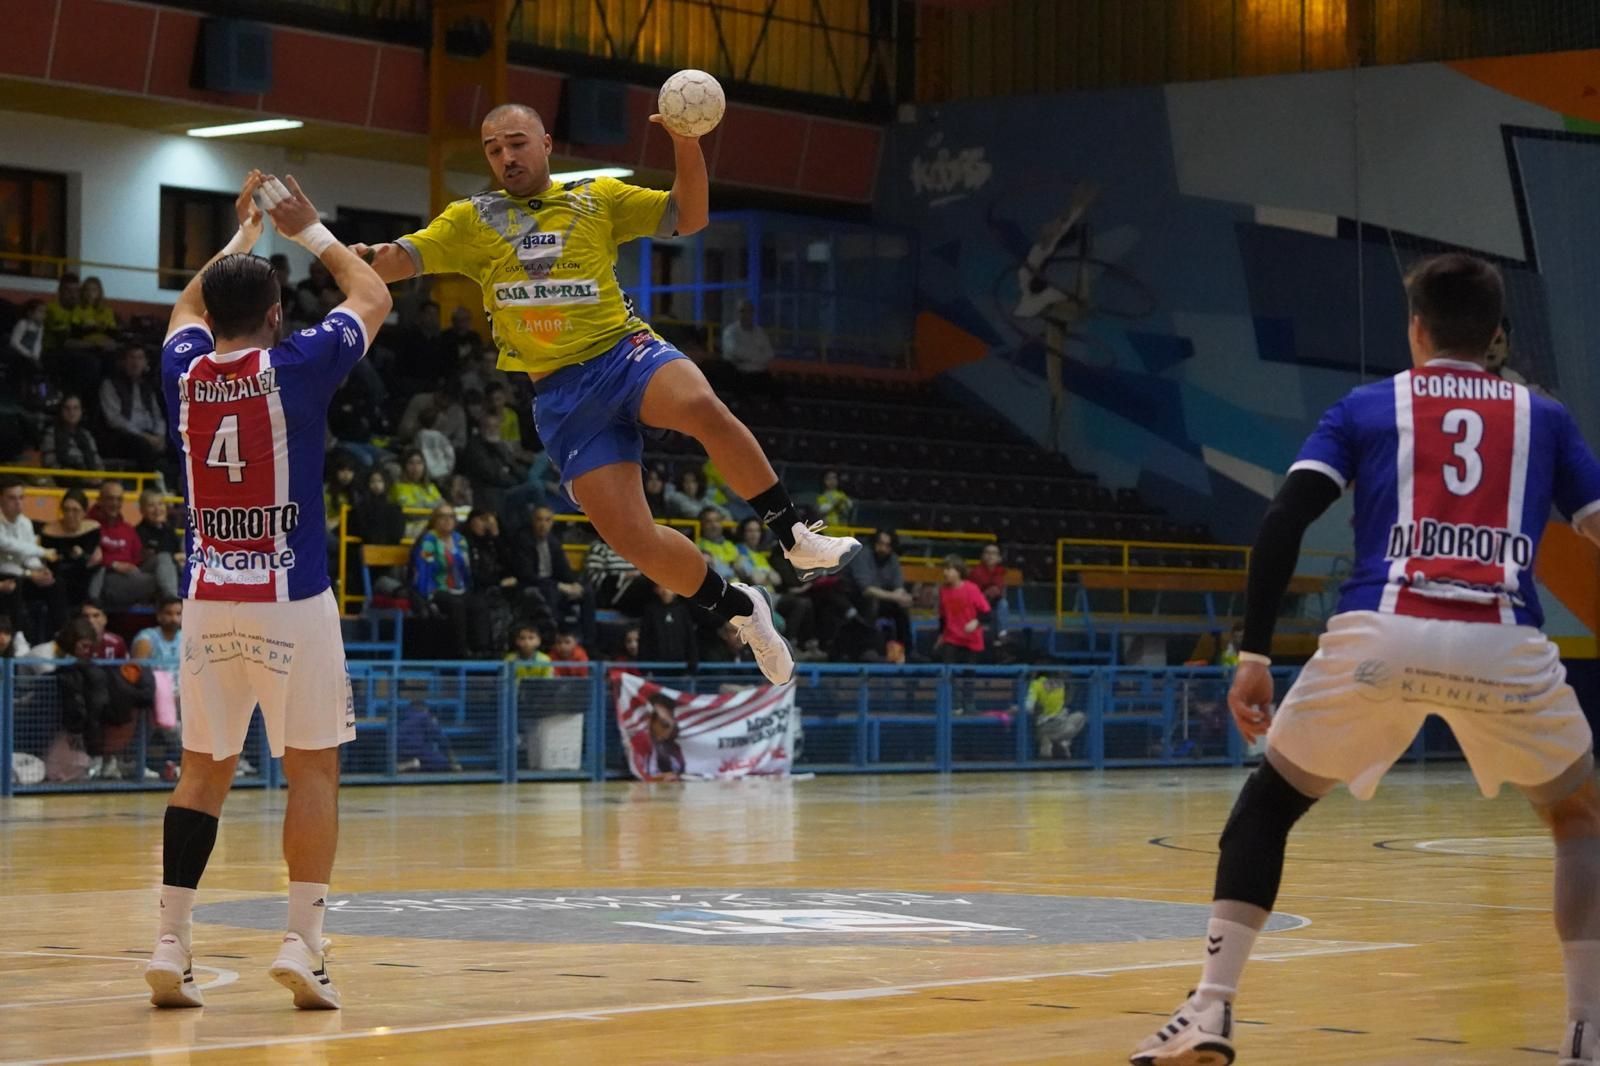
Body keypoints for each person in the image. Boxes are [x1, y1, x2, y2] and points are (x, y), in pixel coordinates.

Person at [1131, 253, 1600, 1066]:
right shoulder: (1544, 418)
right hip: (1502, 638)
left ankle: (1212, 1007)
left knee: (1267, 807)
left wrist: (1253, 653)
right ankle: (1587, 1035)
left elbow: (1284, 519)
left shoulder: (1366, 406)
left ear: (1416, 328)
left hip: (1378, 637)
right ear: (1495, 337)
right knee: (1578, 819)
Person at [349, 101, 859, 687]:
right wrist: (355, 257)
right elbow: (401, 258)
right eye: (494, 150)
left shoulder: (597, 197)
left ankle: (793, 536)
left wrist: (686, 141)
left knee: (700, 406)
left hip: (624, 354)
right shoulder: (472, 219)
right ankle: (744, 612)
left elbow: (687, 216)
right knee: (634, 541)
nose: (506, 157)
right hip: (562, 397)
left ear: (545, 142)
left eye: (517, 143)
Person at [143, 170, 390, 1012]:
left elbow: (184, 312)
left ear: (212, 316)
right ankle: (303, 942)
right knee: (312, 771)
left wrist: (243, 236)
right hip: (294, 598)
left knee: (203, 771)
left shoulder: (184, 368)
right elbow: (372, 294)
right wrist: (307, 228)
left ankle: (170, 944)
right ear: (278, 315)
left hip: (209, 598)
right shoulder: (301, 364)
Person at [410, 503, 475, 659]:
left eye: (451, 516)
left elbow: (466, 569)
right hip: (435, 589)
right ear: (434, 520)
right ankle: (460, 652)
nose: (447, 520)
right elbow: (423, 568)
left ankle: (482, 650)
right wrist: (426, 594)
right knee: (456, 604)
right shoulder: (428, 540)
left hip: (460, 588)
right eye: (442, 516)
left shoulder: (460, 540)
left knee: (479, 604)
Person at [0, 477, 57, 640]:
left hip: (23, 574)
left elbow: (28, 554)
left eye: (20, 498)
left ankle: (60, 635)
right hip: (5, 575)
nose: (18, 502)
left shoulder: (25, 523)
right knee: (14, 582)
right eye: (12, 498)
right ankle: (17, 637)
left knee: (55, 583)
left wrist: (39, 570)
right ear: (1, 499)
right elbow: (8, 546)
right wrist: (42, 553)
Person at [99, 346, 169, 473]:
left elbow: (157, 415)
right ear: (123, 362)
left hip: (150, 434)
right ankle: (150, 486)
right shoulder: (110, 384)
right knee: (142, 446)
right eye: (132, 357)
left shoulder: (148, 388)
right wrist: (145, 437)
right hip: (122, 435)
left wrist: (160, 435)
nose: (135, 362)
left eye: (139, 358)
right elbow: (114, 419)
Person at [91, 479, 157, 610]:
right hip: (107, 578)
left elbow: (138, 559)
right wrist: (114, 565)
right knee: (160, 581)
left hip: (132, 576)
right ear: (100, 500)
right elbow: (88, 557)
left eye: (119, 499)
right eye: (110, 499)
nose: (115, 503)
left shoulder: (128, 529)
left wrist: (148, 555)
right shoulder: (90, 525)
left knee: (165, 560)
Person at [37, 488, 101, 623]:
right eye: (66, 510)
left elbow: (92, 558)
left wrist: (82, 556)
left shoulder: (92, 529)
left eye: (75, 510)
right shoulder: (49, 532)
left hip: (84, 576)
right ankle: (63, 629)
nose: (70, 514)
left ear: (84, 512)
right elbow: (50, 560)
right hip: (58, 576)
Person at [846, 529, 914, 650]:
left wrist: (902, 597)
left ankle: (906, 649)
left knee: (902, 607)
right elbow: (866, 589)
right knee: (872, 602)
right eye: (880, 544)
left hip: (883, 597)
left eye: (887, 545)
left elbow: (898, 586)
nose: (883, 548)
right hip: (856, 598)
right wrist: (895, 597)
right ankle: (868, 649)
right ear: (874, 543)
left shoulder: (892, 558)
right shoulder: (862, 555)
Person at [933, 554, 989, 665]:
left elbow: (986, 613)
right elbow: (943, 617)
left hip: (971, 640)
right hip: (951, 638)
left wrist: (975, 622)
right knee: (948, 671)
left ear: (958, 571)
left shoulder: (972, 589)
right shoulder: (943, 591)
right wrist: (940, 636)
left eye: (948, 569)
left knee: (968, 675)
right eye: (944, 569)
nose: (945, 572)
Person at [134, 489, 183, 601]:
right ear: (142, 510)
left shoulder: (169, 530)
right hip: (147, 572)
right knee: (164, 557)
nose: (157, 510)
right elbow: (146, 558)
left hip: (172, 569)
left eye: (160, 504)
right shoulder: (138, 532)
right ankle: (172, 600)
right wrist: (173, 558)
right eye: (151, 505)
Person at [1025, 672, 1086, 759]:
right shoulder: (1036, 685)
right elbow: (1029, 707)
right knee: (1070, 729)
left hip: (1060, 722)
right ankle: (1048, 741)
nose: (1053, 684)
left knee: (1080, 717)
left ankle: (1061, 742)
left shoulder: (1061, 685)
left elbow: (1062, 703)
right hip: (1045, 726)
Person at [638, 583, 698, 670]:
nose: (665, 591)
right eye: (661, 587)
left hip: (680, 665)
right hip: (657, 666)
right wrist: (645, 667)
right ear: (656, 590)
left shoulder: (682, 610)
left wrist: (692, 661)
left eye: (669, 587)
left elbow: (690, 637)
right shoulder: (650, 611)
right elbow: (645, 638)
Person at [41, 394, 102, 472]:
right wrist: (81, 477)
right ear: (61, 411)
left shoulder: (86, 435)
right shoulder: (51, 434)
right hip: (64, 480)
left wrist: (98, 476)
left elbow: (97, 462)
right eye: (67, 408)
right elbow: (50, 464)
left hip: (91, 477)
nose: (71, 412)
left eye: (76, 408)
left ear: (81, 411)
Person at [719, 297, 775, 376]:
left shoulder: (760, 331)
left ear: (753, 313)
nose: (746, 314)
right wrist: (759, 356)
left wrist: (747, 359)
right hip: (740, 374)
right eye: (742, 311)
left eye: (749, 311)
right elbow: (736, 353)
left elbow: (769, 353)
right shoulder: (730, 332)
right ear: (737, 313)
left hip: (761, 373)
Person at [132, 595, 184, 669]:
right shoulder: (145, 639)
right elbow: (137, 673)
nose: (174, 619)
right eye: (169, 614)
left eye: (178, 614)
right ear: (159, 616)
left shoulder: (187, 638)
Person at [696, 506, 739, 580]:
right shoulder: (698, 546)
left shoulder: (731, 545)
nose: (714, 525)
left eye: (717, 521)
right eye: (709, 521)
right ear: (702, 525)